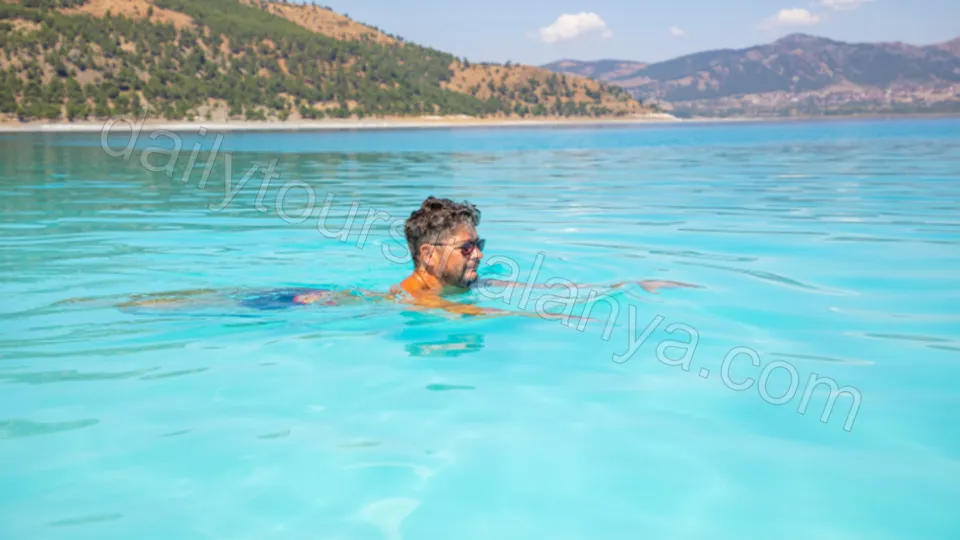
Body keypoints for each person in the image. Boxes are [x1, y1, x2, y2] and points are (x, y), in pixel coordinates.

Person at [113, 196, 697, 317]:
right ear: (427, 256)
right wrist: (561, 319)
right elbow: (487, 315)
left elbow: (528, 294)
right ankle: (171, 304)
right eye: (466, 247)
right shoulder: (428, 300)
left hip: (340, 299)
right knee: (253, 303)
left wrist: (626, 284)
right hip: (324, 304)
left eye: (480, 245)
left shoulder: (468, 287)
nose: (477, 256)